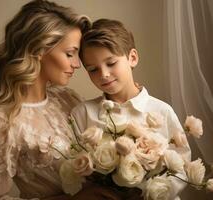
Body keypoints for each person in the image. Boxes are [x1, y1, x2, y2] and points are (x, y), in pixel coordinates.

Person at [0, 1, 126, 200]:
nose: (77, 64)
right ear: (39, 49)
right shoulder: (0, 120)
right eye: (70, 54)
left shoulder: (68, 98)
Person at [71, 18, 191, 200]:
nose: (103, 74)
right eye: (93, 69)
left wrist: (150, 193)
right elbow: (74, 165)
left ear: (132, 58)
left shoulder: (161, 110)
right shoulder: (83, 113)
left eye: (111, 63)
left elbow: (181, 165)